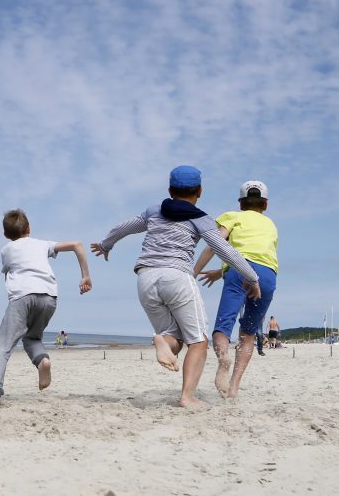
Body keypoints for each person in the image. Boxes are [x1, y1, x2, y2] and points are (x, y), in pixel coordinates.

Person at [91, 166, 260, 408]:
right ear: (199, 191)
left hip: (145, 279)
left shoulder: (154, 211)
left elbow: (125, 226)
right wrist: (252, 278)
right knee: (198, 341)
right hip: (177, 277)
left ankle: (161, 341)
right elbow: (226, 251)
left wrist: (107, 244)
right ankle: (187, 396)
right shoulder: (201, 219)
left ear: (170, 190)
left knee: (174, 338)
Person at [0, 209, 92, 407]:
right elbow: (77, 244)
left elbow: (7, 273)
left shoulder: (6, 250)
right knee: (32, 337)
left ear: (6, 235)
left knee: (3, 346)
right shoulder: (43, 245)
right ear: (29, 228)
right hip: (49, 297)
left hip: (22, 297)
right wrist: (85, 275)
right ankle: (42, 360)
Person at [193, 180, 278, 398]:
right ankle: (233, 388)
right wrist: (220, 272)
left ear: (240, 203)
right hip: (268, 275)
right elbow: (258, 258)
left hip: (238, 272)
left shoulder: (233, 216)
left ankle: (223, 358)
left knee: (223, 325)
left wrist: (195, 271)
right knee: (249, 333)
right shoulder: (271, 225)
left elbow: (216, 244)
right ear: (265, 205)